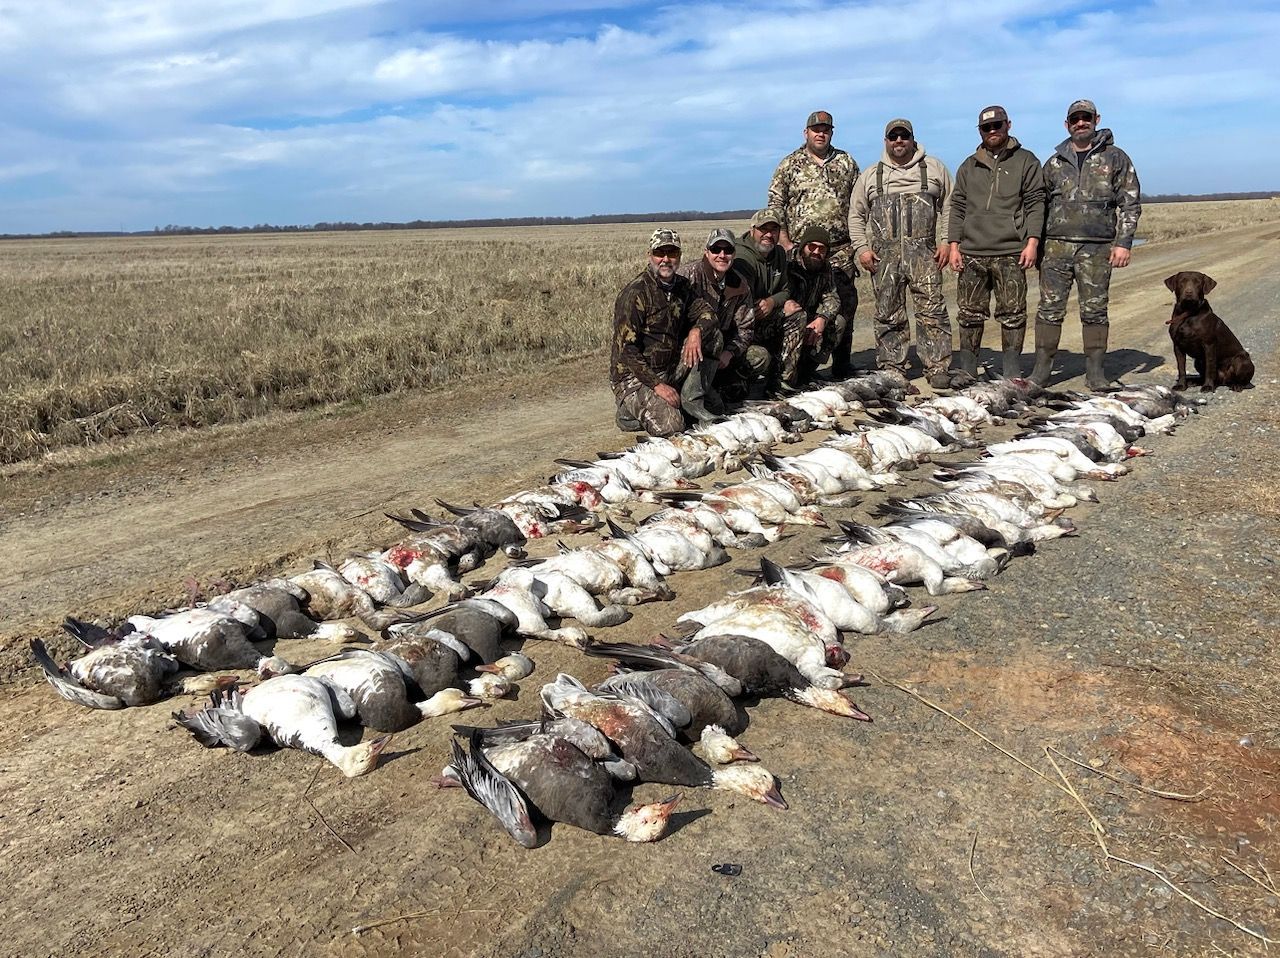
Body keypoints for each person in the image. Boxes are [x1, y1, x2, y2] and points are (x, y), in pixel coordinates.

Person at [1031, 98, 1141, 390]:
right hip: (1055, 247)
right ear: (1067, 124)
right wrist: (1035, 244)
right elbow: (1039, 205)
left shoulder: (1116, 158)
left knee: (1094, 309)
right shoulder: (1054, 162)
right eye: (1076, 118)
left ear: (1096, 119)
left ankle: (1095, 373)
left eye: (1086, 117)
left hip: (1097, 247)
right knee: (1049, 308)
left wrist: (1124, 243)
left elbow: (1130, 204)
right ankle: (1041, 372)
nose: (1081, 122)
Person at [849, 118, 954, 389]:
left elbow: (951, 208)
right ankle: (892, 367)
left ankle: (937, 365)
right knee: (888, 313)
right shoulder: (872, 175)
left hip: (925, 253)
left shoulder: (933, 169)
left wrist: (946, 242)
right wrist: (862, 248)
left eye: (903, 136)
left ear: (912, 139)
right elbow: (856, 215)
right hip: (885, 257)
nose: (899, 141)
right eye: (893, 136)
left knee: (932, 310)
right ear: (886, 141)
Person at [948, 105, 1046, 379]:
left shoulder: (1026, 161)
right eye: (986, 127)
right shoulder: (969, 165)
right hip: (972, 253)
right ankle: (968, 370)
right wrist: (954, 245)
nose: (992, 131)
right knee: (969, 315)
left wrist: (1032, 242)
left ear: (1008, 125)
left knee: (1013, 314)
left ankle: (1012, 373)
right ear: (980, 131)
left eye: (997, 125)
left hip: (1011, 252)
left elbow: (1036, 203)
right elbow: (957, 206)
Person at [767, 110, 860, 377]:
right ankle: (792, 367)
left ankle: (842, 363)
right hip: (800, 251)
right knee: (798, 307)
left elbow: (859, 205)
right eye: (816, 129)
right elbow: (776, 206)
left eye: (826, 129)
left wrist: (858, 244)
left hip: (840, 249)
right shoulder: (790, 164)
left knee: (843, 305)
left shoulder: (846, 162)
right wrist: (785, 244)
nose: (821, 133)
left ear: (832, 132)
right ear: (805, 132)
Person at [610, 228, 718, 436]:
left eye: (672, 253)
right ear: (649, 255)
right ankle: (628, 413)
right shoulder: (635, 293)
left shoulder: (683, 287)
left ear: (679, 256)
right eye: (660, 253)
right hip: (635, 377)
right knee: (673, 426)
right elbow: (627, 350)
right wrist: (657, 385)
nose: (666, 259)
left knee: (713, 337)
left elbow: (708, 313)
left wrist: (696, 330)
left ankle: (689, 399)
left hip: (669, 367)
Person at [676, 228, 755, 412]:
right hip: (686, 350)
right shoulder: (687, 276)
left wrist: (730, 352)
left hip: (718, 353)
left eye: (727, 250)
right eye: (716, 250)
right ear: (706, 252)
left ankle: (712, 390)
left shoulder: (740, 285)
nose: (722, 255)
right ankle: (689, 396)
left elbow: (746, 329)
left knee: (758, 359)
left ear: (734, 254)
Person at [731, 209, 805, 397]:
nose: (769, 235)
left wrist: (773, 301)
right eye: (764, 229)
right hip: (740, 328)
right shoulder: (741, 257)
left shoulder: (779, 253)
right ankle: (735, 381)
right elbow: (745, 304)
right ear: (752, 229)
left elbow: (787, 289)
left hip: (765, 317)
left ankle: (781, 383)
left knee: (797, 315)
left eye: (774, 230)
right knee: (737, 393)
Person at [781, 225, 843, 390]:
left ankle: (806, 372)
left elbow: (832, 297)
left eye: (821, 249)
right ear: (803, 247)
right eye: (812, 247)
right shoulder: (786, 263)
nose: (816, 252)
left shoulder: (825, 267)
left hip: (807, 319)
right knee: (798, 320)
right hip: (785, 321)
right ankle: (783, 380)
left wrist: (822, 318)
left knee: (838, 322)